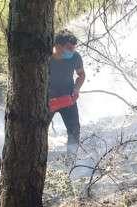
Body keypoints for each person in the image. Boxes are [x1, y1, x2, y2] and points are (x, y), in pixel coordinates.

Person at [49, 29, 86, 158]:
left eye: (74, 48)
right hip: (48, 101)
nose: (72, 51)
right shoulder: (46, 57)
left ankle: (71, 162)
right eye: (69, 48)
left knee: (74, 130)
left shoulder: (75, 57)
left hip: (68, 98)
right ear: (58, 46)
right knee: (39, 131)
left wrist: (76, 89)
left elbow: (81, 75)